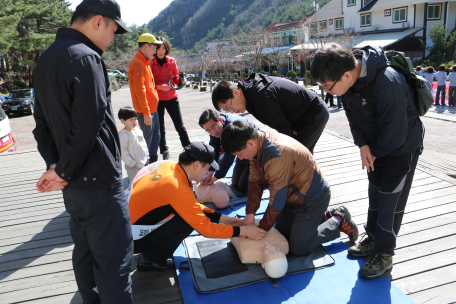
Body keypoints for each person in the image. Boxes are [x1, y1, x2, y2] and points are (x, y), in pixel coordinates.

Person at [32, 0, 134, 303]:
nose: (113, 39)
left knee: (86, 255)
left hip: (73, 186)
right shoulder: (86, 58)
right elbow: (88, 126)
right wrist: (61, 170)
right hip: (99, 182)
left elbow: (41, 125)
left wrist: (57, 167)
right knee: (115, 264)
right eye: (114, 30)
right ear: (98, 22)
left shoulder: (47, 58)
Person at [310, 44, 423, 279]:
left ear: (347, 75)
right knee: (375, 196)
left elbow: (396, 134)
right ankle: (372, 239)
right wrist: (362, 145)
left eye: (327, 86)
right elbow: (352, 118)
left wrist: (374, 151)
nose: (327, 92)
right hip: (375, 148)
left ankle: (385, 254)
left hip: (401, 149)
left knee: (390, 203)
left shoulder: (387, 82)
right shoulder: (349, 83)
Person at [221, 121, 358, 257]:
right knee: (282, 235)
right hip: (292, 198)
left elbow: (277, 199)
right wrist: (250, 214)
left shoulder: (276, 153)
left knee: (298, 247)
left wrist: (261, 230)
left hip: (312, 198)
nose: (240, 158)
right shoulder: (256, 144)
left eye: (240, 154)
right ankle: (324, 217)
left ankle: (338, 220)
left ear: (251, 143)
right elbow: (255, 182)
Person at [127, 141, 267, 271]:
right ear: (197, 165)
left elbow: (191, 206)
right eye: (207, 168)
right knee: (188, 222)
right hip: (127, 240)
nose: (207, 173)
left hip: (120, 225)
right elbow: (206, 229)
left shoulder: (168, 166)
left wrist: (224, 219)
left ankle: (149, 253)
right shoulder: (176, 188)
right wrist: (243, 231)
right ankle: (150, 260)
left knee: (188, 216)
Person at [212, 73, 329, 154]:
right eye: (227, 110)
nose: (232, 111)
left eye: (229, 106)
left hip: (313, 112)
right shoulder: (249, 94)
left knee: (298, 154)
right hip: (299, 116)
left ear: (236, 92)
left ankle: (315, 188)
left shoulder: (260, 96)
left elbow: (284, 129)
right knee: (300, 154)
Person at [198, 109, 260, 192]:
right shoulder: (215, 129)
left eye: (213, 127)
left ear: (220, 120)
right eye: (208, 130)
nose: (212, 132)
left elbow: (229, 155)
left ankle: (267, 177)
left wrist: (216, 177)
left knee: (244, 186)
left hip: (255, 152)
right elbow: (214, 149)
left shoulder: (231, 126)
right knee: (235, 182)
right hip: (242, 152)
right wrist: (210, 173)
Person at [151, 37, 191, 160]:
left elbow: (176, 78)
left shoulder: (172, 61)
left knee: (180, 125)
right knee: (160, 128)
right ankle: (164, 151)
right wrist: (159, 87)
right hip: (157, 100)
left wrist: (182, 81)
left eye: (163, 48)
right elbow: (148, 83)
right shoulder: (150, 63)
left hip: (172, 98)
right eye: (158, 48)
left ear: (167, 49)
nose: (161, 51)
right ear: (155, 49)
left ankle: (188, 148)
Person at [129, 33, 162, 163]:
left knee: (154, 139)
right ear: (145, 46)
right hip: (145, 111)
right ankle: (145, 169)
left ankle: (152, 164)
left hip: (152, 109)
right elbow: (140, 91)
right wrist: (147, 112)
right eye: (153, 48)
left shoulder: (144, 62)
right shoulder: (138, 63)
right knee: (146, 143)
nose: (155, 51)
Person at [118, 106, 149, 183]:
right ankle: (132, 194)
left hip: (142, 162)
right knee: (134, 183)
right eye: (131, 120)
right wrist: (131, 163)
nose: (134, 121)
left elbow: (144, 144)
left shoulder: (137, 130)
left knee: (144, 181)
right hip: (132, 166)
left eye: (135, 119)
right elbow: (122, 151)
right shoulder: (123, 135)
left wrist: (147, 156)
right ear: (122, 121)